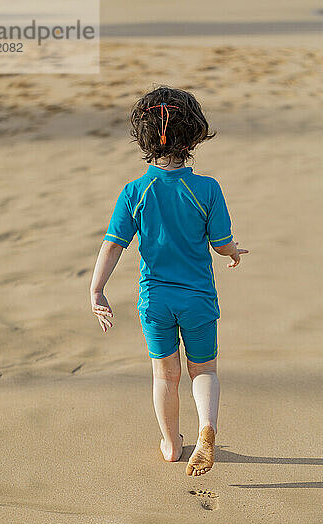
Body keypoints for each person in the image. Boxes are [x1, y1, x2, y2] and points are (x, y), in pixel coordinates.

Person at [90, 86, 249, 477]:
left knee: (165, 375)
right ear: (194, 135)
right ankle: (206, 428)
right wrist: (231, 254)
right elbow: (220, 241)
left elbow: (113, 246)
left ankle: (172, 443)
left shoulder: (135, 191)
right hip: (198, 299)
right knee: (205, 370)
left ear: (143, 138)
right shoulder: (207, 189)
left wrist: (97, 289)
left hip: (155, 301)